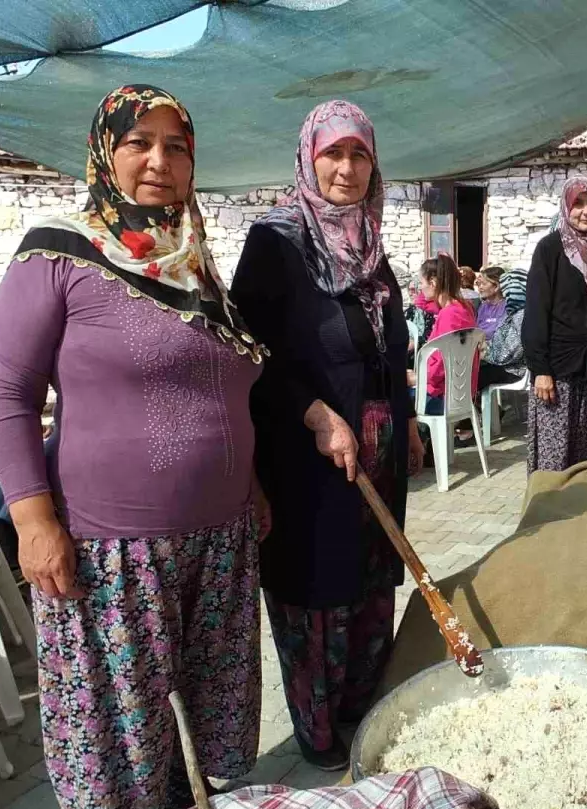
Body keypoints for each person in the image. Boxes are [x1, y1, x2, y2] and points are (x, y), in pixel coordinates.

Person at [0, 85, 268, 809]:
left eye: (177, 147)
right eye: (139, 142)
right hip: (113, 553)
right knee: (123, 751)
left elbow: (219, 384)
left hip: (220, 542)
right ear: (105, 152)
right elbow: (10, 397)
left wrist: (251, 485)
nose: (159, 161)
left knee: (199, 749)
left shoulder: (192, 258)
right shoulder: (59, 251)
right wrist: (35, 522)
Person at [232, 100, 423, 771]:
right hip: (309, 461)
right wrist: (313, 410)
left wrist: (410, 420)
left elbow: (387, 354)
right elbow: (245, 351)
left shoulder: (374, 253)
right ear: (309, 158)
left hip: (377, 456)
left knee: (372, 583)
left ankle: (359, 707)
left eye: (359, 155)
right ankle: (316, 734)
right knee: (318, 594)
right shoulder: (276, 243)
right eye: (332, 154)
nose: (346, 169)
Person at [522, 175, 587, 472]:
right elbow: (536, 310)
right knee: (553, 462)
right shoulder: (550, 248)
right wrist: (540, 369)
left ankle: (586, 518)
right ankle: (550, 517)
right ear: (566, 207)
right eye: (577, 203)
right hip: (557, 372)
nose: (586, 211)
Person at [416, 255, 479, 416]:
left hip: (444, 396)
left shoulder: (449, 314)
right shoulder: (465, 307)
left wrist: (417, 378)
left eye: (421, 283)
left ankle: (416, 440)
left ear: (433, 283)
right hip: (463, 395)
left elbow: (440, 365)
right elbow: (422, 303)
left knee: (394, 397)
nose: (420, 288)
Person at [474, 265, 508, 340]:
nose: (480, 287)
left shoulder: (507, 307)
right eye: (479, 284)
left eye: (484, 284)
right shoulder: (483, 306)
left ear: (496, 286)